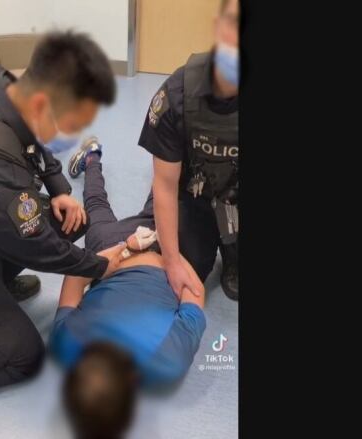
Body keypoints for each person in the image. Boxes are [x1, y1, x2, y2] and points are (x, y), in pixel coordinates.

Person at [0, 31, 127, 388]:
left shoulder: (1, 84)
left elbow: (33, 139)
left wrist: (59, 187)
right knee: (23, 357)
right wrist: (100, 265)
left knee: (68, 218)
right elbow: (36, 244)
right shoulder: (2, 175)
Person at [53, 138, 207, 438]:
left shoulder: (167, 362)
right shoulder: (66, 346)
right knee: (156, 199)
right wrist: (161, 252)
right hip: (135, 249)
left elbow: (194, 293)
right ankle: (96, 158)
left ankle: (93, 157)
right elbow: (196, 292)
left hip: (123, 250)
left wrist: (129, 248)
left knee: (118, 205)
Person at [134, 0, 241, 300]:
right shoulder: (177, 93)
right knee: (182, 272)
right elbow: (166, 186)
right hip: (194, 191)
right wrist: (171, 260)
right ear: (219, 28)